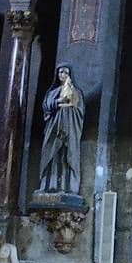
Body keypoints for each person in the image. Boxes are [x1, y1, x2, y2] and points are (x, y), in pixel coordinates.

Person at [37, 65, 85, 195]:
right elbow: (47, 106)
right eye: (60, 72)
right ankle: (48, 185)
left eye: (65, 72)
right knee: (51, 155)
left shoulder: (75, 92)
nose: (62, 75)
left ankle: (67, 187)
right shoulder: (52, 92)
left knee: (66, 157)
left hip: (69, 130)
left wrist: (68, 105)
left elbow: (79, 110)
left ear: (70, 75)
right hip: (53, 130)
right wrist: (59, 101)